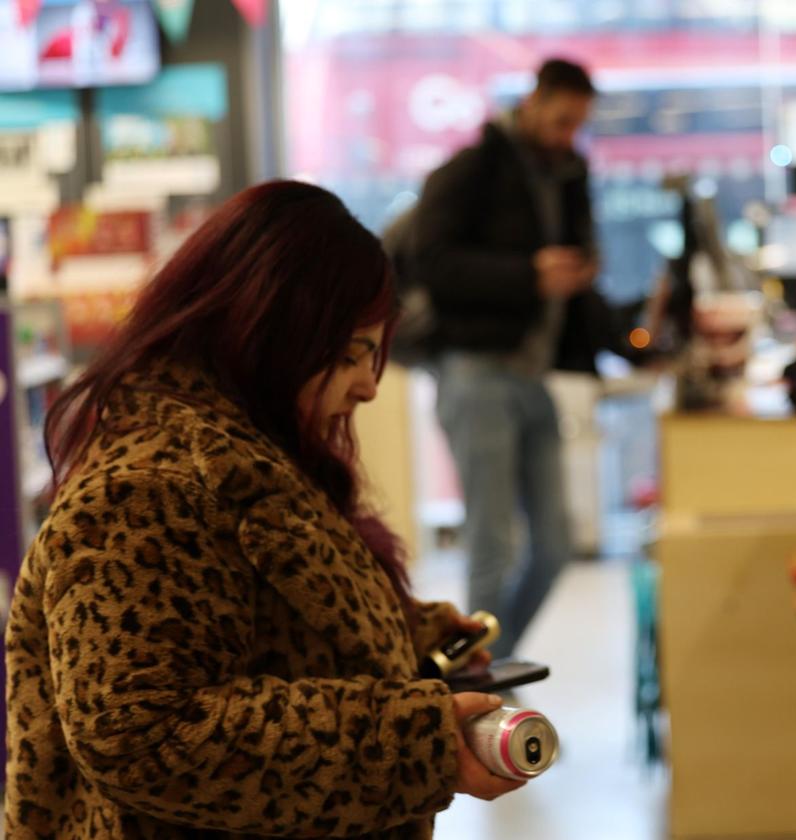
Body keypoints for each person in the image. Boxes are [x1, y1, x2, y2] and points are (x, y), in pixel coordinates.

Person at [4, 180, 523, 840]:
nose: (368, 384)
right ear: (278, 331)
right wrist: (413, 742)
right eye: (354, 352)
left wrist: (406, 637)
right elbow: (140, 734)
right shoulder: (144, 490)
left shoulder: (241, 455)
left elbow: (256, 620)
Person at [411, 58, 609, 659]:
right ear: (532, 101)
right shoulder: (472, 170)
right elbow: (434, 267)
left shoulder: (567, 176)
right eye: (560, 119)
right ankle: (479, 690)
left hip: (532, 375)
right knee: (493, 545)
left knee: (553, 544)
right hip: (474, 371)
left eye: (577, 124)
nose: (566, 134)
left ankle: (480, 667)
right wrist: (528, 275)